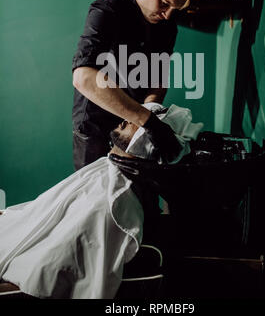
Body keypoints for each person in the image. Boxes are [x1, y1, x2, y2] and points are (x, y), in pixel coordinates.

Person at [0, 103, 203, 299]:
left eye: (139, 122)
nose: (127, 119)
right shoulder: (104, 171)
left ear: (149, 143)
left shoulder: (113, 203)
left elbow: (49, 272)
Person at [72, 0, 196, 171]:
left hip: (136, 125)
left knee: (140, 199)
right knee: (95, 200)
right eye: (164, 3)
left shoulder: (167, 24)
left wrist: (152, 112)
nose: (168, 15)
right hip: (95, 124)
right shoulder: (106, 10)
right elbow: (83, 77)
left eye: (174, 9)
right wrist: (147, 120)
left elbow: (158, 77)